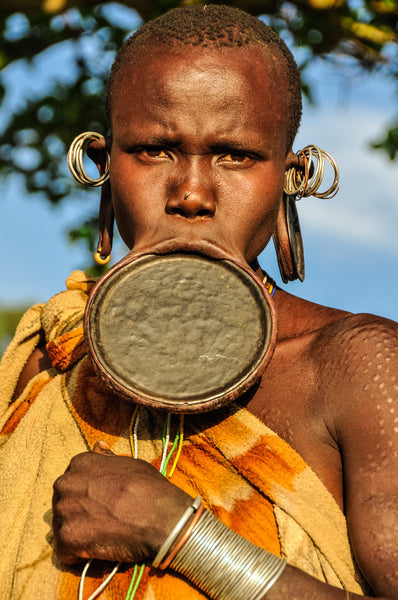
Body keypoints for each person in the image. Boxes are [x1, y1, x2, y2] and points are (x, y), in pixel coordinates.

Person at [0, 4, 397, 599]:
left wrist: (183, 537)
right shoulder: (53, 359)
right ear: (104, 166)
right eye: (155, 150)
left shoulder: (355, 369)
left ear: (291, 176)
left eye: (235, 154)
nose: (190, 192)